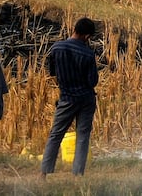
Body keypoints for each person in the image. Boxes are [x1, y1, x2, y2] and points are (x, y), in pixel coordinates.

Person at [41, 17, 103, 176]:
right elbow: (92, 81)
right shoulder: (88, 54)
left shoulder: (56, 48)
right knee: (82, 136)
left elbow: (52, 73)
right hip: (85, 99)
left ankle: (44, 173)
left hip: (66, 98)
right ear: (87, 36)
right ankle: (77, 175)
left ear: (74, 29)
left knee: (56, 134)